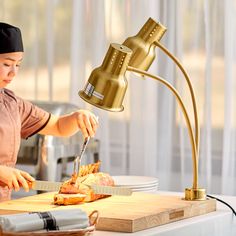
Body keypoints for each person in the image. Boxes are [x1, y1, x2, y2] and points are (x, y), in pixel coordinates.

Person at [0, 22, 99, 201]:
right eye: (7, 64)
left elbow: (59, 127)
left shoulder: (12, 103)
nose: (14, 72)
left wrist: (77, 117)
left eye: (18, 65)